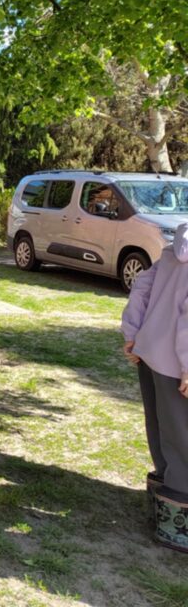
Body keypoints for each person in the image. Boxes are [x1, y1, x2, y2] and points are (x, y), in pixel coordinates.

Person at [121, 221, 188, 552]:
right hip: (176, 363)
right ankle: (178, 524)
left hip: (150, 353)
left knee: (160, 427)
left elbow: (142, 286)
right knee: (182, 438)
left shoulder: (173, 250)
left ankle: (162, 504)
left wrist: (132, 333)